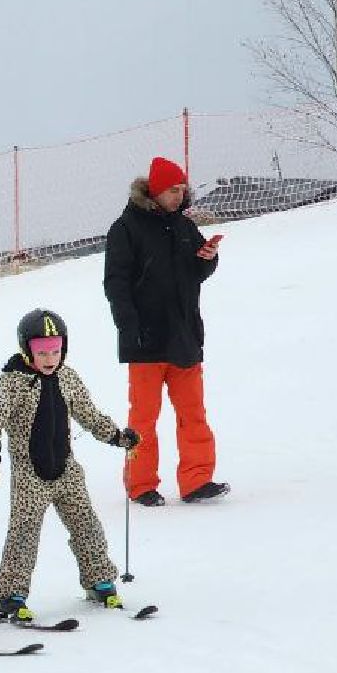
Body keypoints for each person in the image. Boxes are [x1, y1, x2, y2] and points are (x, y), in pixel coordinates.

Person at [0, 309, 142, 619]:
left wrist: (117, 437)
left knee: (86, 524)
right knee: (23, 535)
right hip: (30, 475)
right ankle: (8, 595)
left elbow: (88, 414)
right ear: (27, 350)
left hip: (66, 470)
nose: (51, 357)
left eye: (56, 349)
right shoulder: (14, 382)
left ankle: (99, 581)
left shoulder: (67, 377)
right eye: (42, 352)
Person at [103, 156, 229, 506]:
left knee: (194, 414)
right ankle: (141, 485)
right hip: (145, 343)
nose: (178, 196)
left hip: (185, 339)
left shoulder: (185, 227)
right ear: (155, 190)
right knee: (143, 418)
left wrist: (207, 258)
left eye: (182, 190)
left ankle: (197, 480)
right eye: (172, 190)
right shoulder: (125, 229)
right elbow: (116, 285)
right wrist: (130, 329)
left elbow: (193, 275)